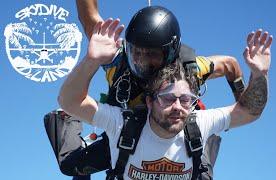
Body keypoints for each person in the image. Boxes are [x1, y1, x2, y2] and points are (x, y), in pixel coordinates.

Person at [44, 5, 245, 180]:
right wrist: (94, 58)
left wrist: (240, 100)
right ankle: (67, 117)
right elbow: (90, 21)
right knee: (71, 165)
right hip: (127, 134)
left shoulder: (190, 69)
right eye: (136, 52)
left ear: (171, 53)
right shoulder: (118, 61)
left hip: (179, 132)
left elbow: (230, 64)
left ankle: (206, 138)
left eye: (152, 55)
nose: (141, 61)